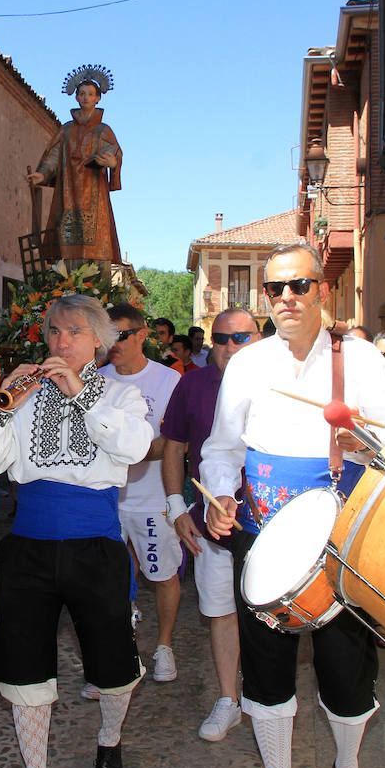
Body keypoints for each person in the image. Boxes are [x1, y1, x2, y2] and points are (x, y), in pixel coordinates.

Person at [203, 243, 385, 768]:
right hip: (263, 536)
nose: (286, 298)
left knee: (348, 669)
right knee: (266, 671)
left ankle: (347, 766)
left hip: (339, 541)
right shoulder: (247, 363)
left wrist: (362, 438)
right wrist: (219, 496)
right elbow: (221, 449)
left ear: (323, 290)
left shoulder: (358, 361)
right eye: (275, 289)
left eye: (299, 286)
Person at [0, 294, 152, 768]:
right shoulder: (25, 396)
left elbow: (135, 448)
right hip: (29, 545)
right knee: (24, 664)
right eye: (53, 331)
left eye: (73, 331)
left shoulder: (120, 398)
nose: (61, 341)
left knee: (114, 665)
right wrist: (4, 405)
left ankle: (109, 740)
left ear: (99, 340)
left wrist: (81, 396)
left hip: (95, 545)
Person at [161, 307, 258, 740]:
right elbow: (173, 449)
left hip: (269, 523)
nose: (230, 348)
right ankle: (228, 699)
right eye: (221, 339)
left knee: (271, 614)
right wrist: (176, 510)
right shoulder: (191, 385)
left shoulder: (276, 385)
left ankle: (267, 697)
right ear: (209, 343)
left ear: (259, 339)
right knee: (220, 612)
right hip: (211, 522)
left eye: (241, 339)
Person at [99, 304, 183, 684]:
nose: (111, 344)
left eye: (119, 335)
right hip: (106, 499)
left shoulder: (168, 380)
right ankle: (119, 652)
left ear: (141, 335)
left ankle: (163, 645)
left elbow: (176, 439)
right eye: (106, 335)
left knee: (162, 573)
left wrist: (133, 450)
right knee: (112, 578)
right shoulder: (94, 380)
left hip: (152, 496)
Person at [26, 65, 123, 267]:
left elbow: (114, 153)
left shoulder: (103, 130)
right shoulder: (67, 130)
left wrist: (112, 163)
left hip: (94, 197)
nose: (86, 97)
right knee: (67, 243)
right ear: (76, 97)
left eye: (90, 94)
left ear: (98, 98)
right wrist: (42, 175)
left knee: (96, 245)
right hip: (69, 194)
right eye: (82, 94)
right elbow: (54, 156)